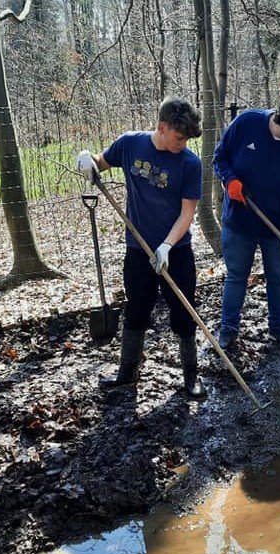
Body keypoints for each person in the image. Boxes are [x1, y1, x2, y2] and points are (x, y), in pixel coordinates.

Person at [76, 96, 206, 398]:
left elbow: (188, 213)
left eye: (187, 138)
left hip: (176, 252)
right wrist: (88, 160)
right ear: (162, 127)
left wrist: (166, 247)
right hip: (137, 249)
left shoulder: (190, 163)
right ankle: (127, 373)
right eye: (179, 136)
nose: (183, 143)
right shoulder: (130, 144)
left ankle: (191, 376)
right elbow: (101, 162)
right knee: (136, 310)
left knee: (183, 314)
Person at [212, 94, 280, 350]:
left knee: (278, 277)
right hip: (240, 223)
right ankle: (228, 330)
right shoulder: (247, 123)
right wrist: (230, 180)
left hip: (278, 229)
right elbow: (220, 157)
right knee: (237, 276)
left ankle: (279, 330)